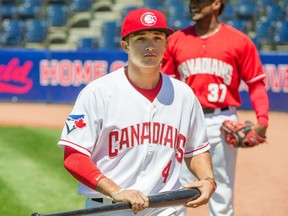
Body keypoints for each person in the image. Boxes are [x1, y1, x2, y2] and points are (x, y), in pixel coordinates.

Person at [57, 8, 216, 216]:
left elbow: (196, 150)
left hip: (165, 207)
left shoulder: (184, 95)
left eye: (157, 38)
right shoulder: (98, 93)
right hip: (110, 206)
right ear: (125, 45)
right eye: (141, 38)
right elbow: (74, 156)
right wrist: (117, 191)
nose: (150, 46)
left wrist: (207, 180)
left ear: (166, 44)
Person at [161, 0, 269, 216]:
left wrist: (262, 121)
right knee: (177, 187)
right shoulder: (176, 41)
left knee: (222, 188)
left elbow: (256, 84)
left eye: (200, 2)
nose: (194, 5)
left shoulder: (239, 41)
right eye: (192, 2)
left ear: (216, 4)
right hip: (185, 121)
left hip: (221, 120)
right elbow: (164, 85)